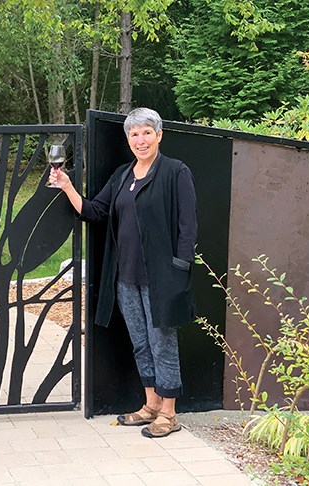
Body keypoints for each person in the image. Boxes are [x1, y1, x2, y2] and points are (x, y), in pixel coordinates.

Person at [49, 107, 197, 438]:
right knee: (141, 344)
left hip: (162, 279)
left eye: (147, 132)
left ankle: (170, 414)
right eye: (134, 134)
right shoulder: (122, 175)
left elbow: (188, 228)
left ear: (159, 135)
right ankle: (151, 405)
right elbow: (95, 211)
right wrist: (67, 186)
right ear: (127, 139)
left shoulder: (176, 172)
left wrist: (180, 270)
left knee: (162, 344)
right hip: (125, 279)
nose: (140, 139)